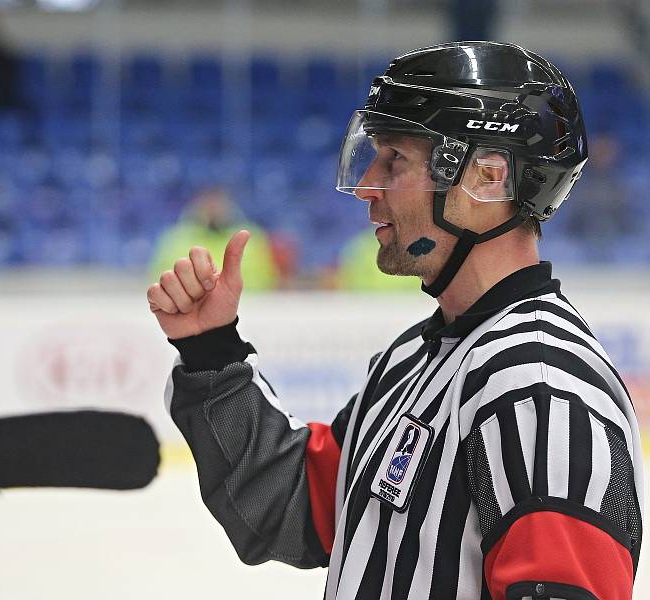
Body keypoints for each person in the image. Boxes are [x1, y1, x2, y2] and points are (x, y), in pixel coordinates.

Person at [147, 42, 643, 599]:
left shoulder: (542, 390)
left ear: (486, 177)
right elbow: (292, 509)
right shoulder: (411, 361)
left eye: (395, 161)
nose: (366, 186)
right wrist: (212, 350)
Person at [148, 187, 279, 290]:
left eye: (218, 203)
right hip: (191, 307)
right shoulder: (175, 238)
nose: (214, 209)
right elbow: (160, 277)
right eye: (209, 203)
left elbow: (267, 278)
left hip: (249, 306)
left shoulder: (251, 237)